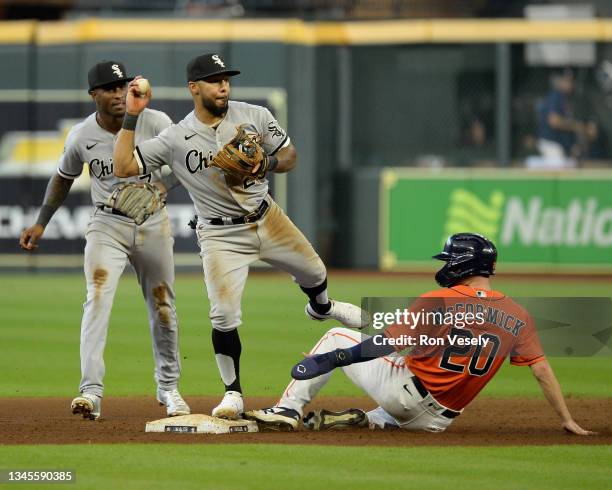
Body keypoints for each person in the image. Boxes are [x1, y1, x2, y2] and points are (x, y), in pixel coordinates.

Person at [112, 53, 365, 420]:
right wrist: (132, 114)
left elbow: (290, 154)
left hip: (268, 218)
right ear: (194, 88)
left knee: (315, 274)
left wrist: (269, 163)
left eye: (227, 78)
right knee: (223, 315)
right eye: (215, 80)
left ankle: (322, 308)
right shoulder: (176, 137)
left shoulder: (255, 115)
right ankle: (233, 393)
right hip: (219, 235)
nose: (224, 85)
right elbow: (122, 167)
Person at [245, 233, 594, 436]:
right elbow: (542, 370)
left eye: (449, 259)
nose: (444, 265)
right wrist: (566, 420)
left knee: (338, 337)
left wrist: (335, 358)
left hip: (405, 395)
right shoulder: (518, 315)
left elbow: (385, 342)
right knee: (406, 358)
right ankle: (369, 420)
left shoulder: (440, 299)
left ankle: (287, 411)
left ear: (463, 264)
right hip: (436, 423)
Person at [19, 61, 190, 421]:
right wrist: (41, 222)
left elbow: (185, 163)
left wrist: (159, 186)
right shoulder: (82, 135)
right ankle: (91, 392)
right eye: (110, 88)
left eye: (122, 86)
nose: (118, 93)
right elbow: (63, 178)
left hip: (152, 222)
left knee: (163, 305)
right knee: (96, 298)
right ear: (93, 94)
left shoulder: (156, 122)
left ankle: (169, 387)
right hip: (106, 224)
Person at [535, 68, 597, 168]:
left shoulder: (569, 97)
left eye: (570, 80)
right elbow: (554, 121)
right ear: (559, 81)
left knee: (570, 169)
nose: (570, 83)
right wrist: (579, 126)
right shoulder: (555, 95)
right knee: (559, 172)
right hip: (551, 143)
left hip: (561, 144)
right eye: (566, 80)